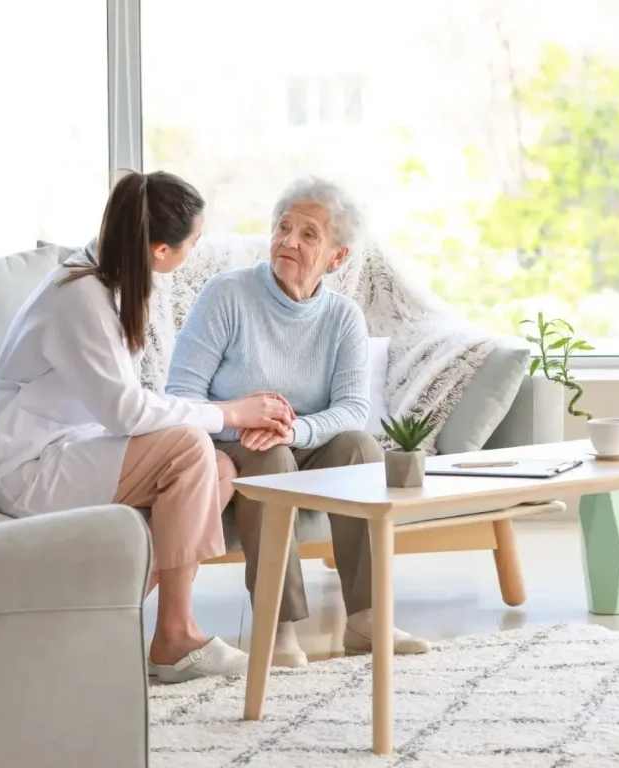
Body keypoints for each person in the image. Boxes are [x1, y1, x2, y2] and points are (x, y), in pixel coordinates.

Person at [0, 170, 294, 684]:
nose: (194, 251)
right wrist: (230, 412)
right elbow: (126, 413)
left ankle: (99, 620)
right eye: (193, 242)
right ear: (161, 250)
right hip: (25, 469)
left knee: (217, 468)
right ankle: (175, 637)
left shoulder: (102, 282)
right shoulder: (78, 298)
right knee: (192, 448)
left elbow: (126, 406)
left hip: (64, 450)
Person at [165, 176, 431, 667]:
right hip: (231, 443)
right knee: (269, 454)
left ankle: (366, 618)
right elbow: (180, 397)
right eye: (283, 227)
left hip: (301, 441)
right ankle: (279, 626)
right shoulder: (227, 295)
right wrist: (245, 424)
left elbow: (352, 408)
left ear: (337, 256)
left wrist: (294, 430)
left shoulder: (343, 317)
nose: (288, 240)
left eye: (309, 234)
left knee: (359, 449)